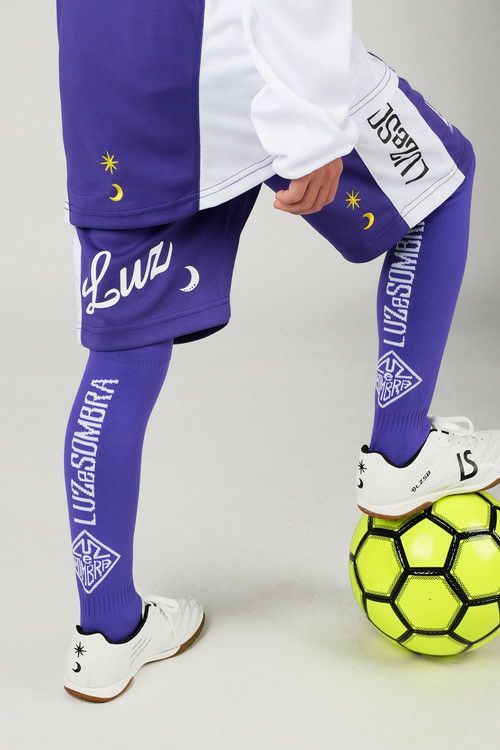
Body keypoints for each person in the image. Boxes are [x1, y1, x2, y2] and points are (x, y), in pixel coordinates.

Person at [57, 0, 500, 702]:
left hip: (105, 72)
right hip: (230, 52)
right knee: (441, 182)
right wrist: (311, 120)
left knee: (124, 347)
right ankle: (403, 449)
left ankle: (106, 634)